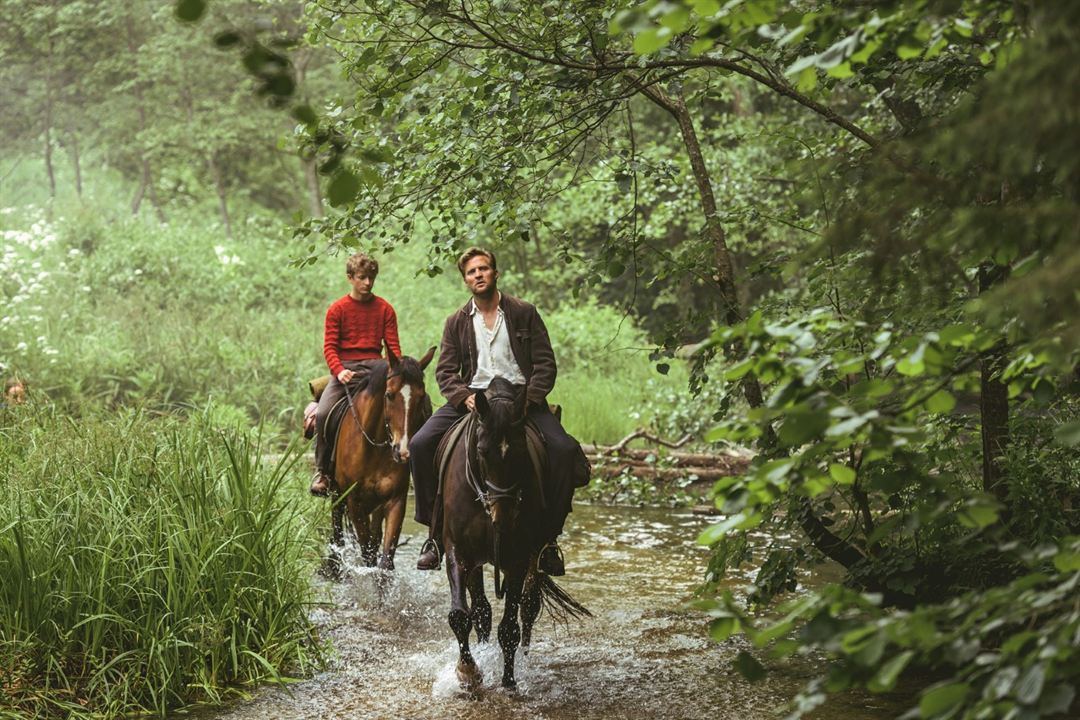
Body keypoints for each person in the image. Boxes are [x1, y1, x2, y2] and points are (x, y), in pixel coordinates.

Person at [409, 246, 589, 575]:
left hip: (520, 401)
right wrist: (462, 396)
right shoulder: (456, 322)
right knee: (420, 444)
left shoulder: (524, 312)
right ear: (465, 280)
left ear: (495, 272)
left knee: (563, 450)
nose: (478, 275)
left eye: (483, 268)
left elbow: (545, 364)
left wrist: (528, 401)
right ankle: (433, 536)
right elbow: (445, 372)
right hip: (475, 402)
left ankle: (549, 540)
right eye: (471, 272)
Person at [310, 252, 402, 496]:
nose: (368, 283)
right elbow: (330, 347)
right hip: (347, 368)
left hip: (377, 366)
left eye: (371, 277)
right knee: (324, 413)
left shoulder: (385, 309)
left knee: (405, 403)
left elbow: (393, 349)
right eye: (362, 277)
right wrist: (339, 371)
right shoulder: (337, 309)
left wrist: (393, 370)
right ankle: (323, 472)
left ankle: (401, 458)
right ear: (350, 278)